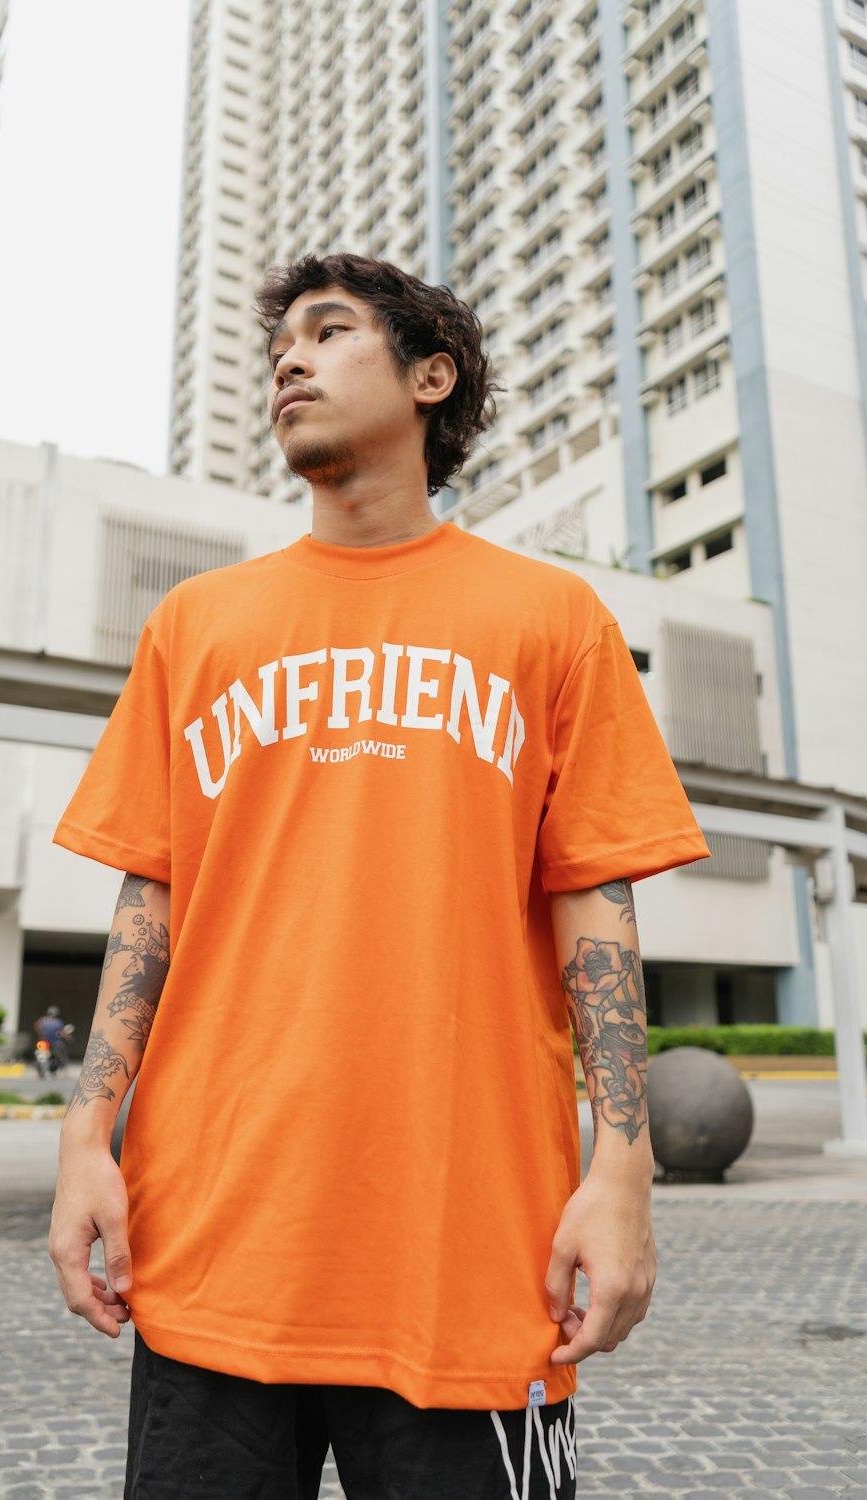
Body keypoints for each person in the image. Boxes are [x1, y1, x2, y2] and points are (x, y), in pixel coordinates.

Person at [48, 252, 711, 1499]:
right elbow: (152, 904)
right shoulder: (194, 629)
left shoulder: (553, 621)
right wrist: (87, 1139)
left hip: (472, 1258)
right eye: (278, 345)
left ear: (430, 376)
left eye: (330, 331)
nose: (288, 360)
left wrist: (622, 1172)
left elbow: (595, 912)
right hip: (211, 1250)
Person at [33, 1004, 68, 1073]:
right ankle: (63, 1070)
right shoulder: (58, 1022)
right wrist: (67, 1037)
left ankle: (36, 1072)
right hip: (55, 1042)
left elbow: (36, 1026)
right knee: (61, 1054)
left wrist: (40, 1033)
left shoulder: (42, 1020)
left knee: (38, 1054)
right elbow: (62, 1032)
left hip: (43, 1042)